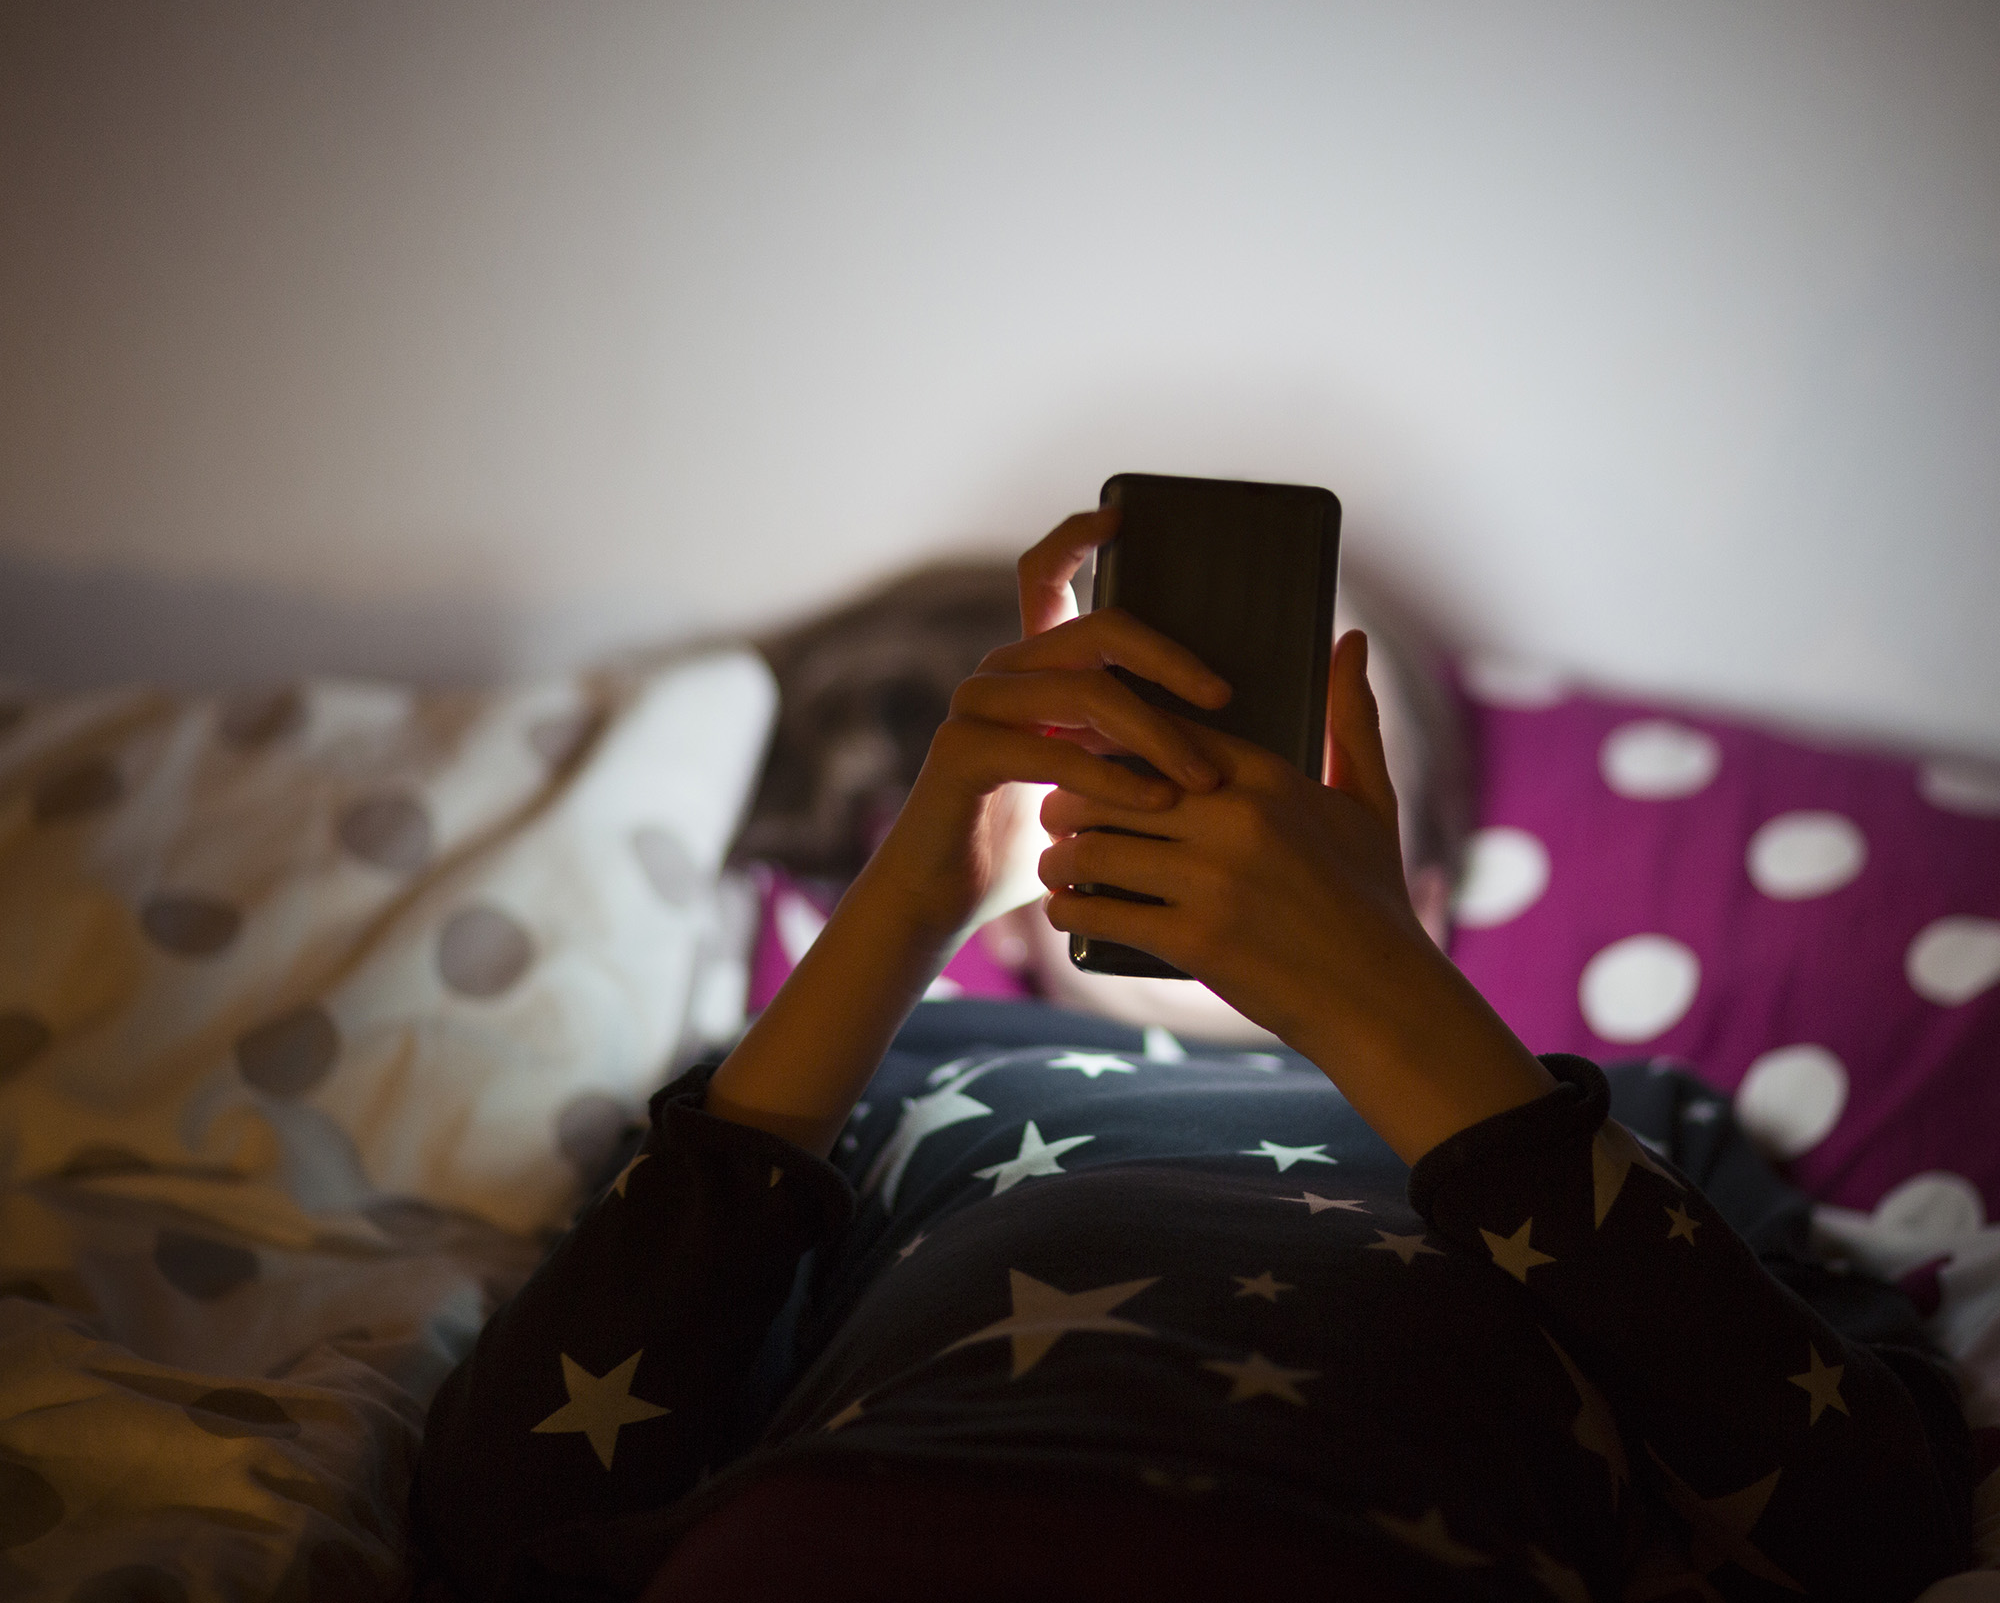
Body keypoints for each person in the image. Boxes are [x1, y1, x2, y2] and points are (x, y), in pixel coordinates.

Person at [410, 510, 1974, 1601]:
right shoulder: (869, 1066)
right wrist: (905, 909)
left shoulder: (1611, 1125)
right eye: (1126, 763)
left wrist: (1394, 1012)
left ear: (1421, 902)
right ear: (1018, 898)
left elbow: (1864, 1526)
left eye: (1302, 781)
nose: (1216, 795)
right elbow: (507, 1523)